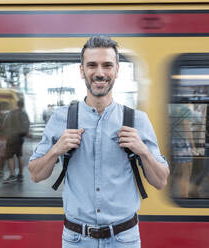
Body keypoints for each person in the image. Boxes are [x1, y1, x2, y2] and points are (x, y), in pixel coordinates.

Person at [28, 36, 169, 248]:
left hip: (124, 239)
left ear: (117, 70)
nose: (100, 73)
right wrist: (56, 150)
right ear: (81, 70)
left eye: (107, 65)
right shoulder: (61, 118)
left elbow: (160, 181)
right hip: (76, 239)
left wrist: (143, 152)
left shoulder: (137, 120)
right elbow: (36, 174)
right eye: (92, 65)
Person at [169, 104, 198, 198]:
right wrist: (193, 146)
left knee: (176, 170)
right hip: (182, 142)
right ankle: (184, 196)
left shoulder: (171, 107)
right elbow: (187, 127)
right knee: (186, 171)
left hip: (173, 141)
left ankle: (169, 191)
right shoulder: (186, 109)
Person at [2, 99, 30, 183]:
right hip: (20, 138)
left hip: (12, 137)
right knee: (19, 155)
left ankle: (12, 175)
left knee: (10, 156)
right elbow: (28, 125)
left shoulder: (11, 113)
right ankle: (20, 174)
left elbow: (5, 125)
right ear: (23, 105)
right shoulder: (24, 114)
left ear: (17, 104)